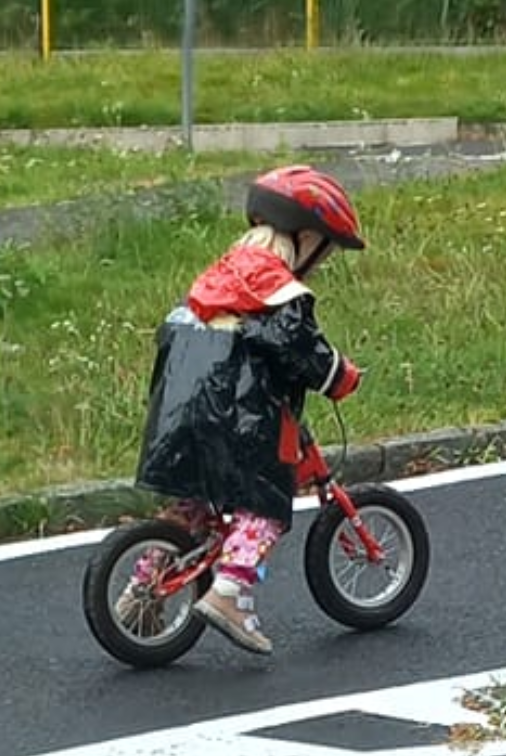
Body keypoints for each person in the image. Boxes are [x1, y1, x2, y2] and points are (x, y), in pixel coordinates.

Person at [131, 165, 368, 655]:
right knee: (263, 509)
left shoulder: (220, 275)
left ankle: (139, 591)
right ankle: (229, 593)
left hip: (180, 411)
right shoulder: (281, 293)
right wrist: (340, 375)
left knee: (192, 507)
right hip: (237, 419)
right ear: (307, 240)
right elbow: (301, 350)